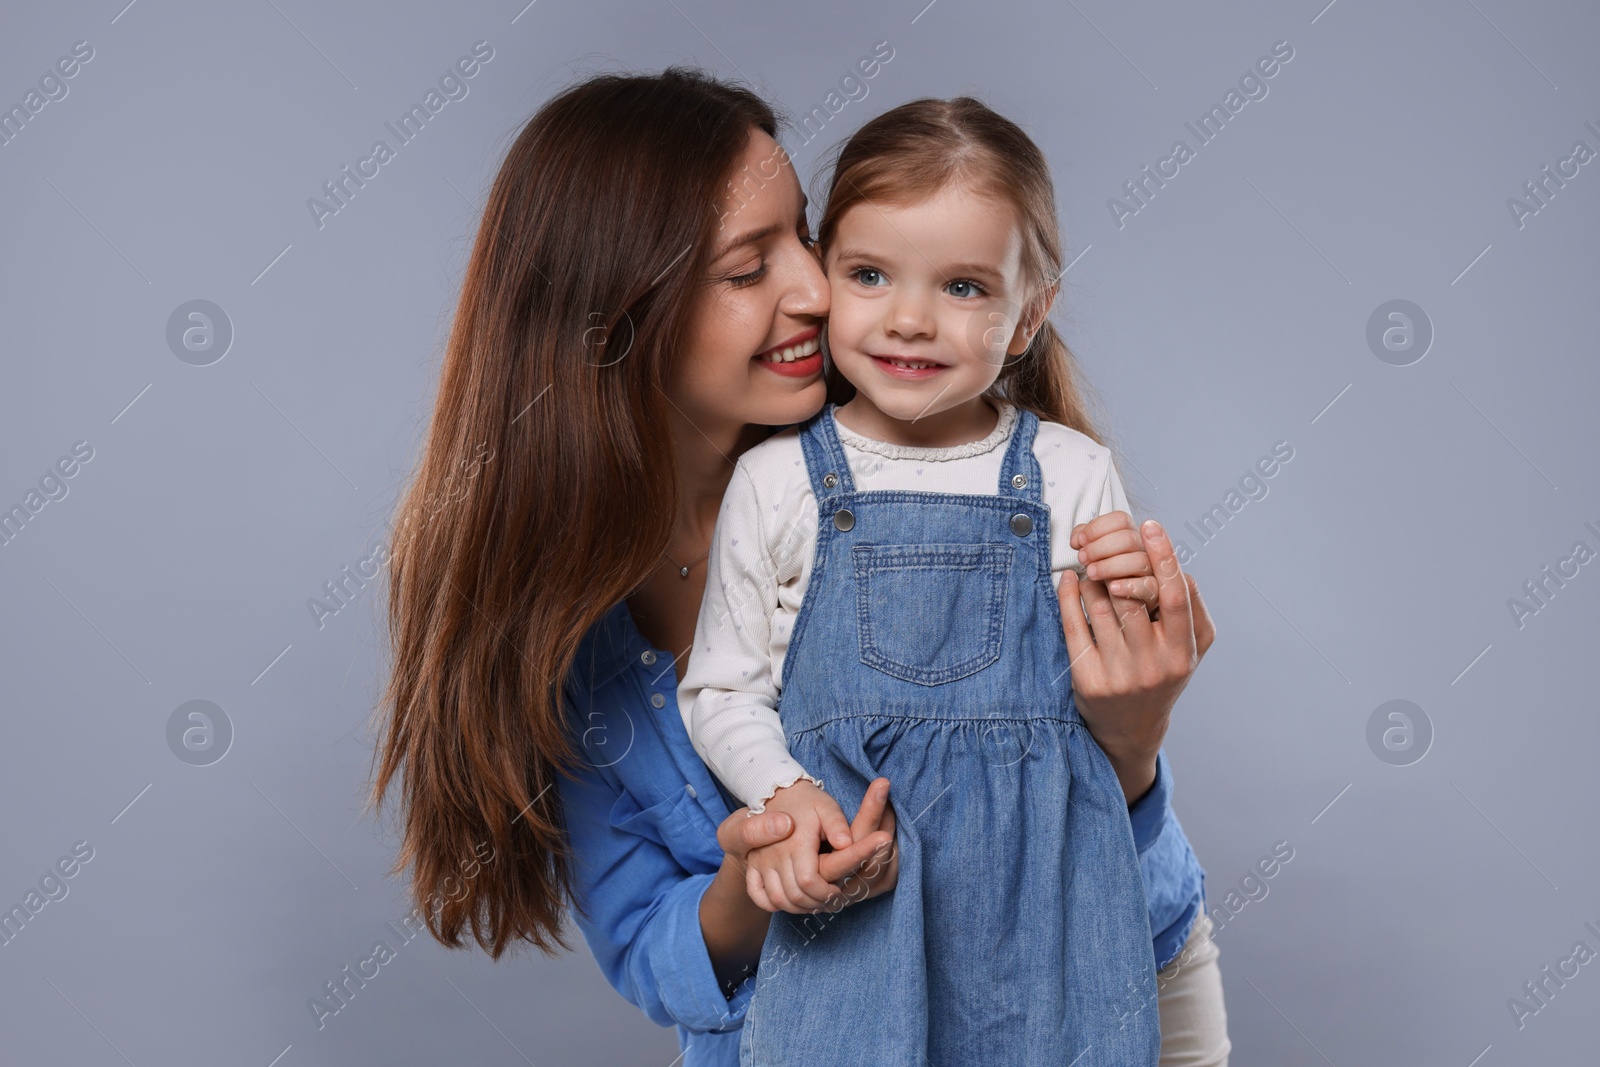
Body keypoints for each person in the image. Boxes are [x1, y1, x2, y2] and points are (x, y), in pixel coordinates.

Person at [369, 69, 1225, 1067]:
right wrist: (758, 868)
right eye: (747, 268)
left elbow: (1074, 794)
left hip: (1080, 981)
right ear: (614, 323)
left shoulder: (943, 438)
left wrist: (1134, 736)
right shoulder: (566, 638)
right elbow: (651, 947)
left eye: (804, 235)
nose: (816, 289)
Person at [677, 95, 1215, 1066]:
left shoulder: (1069, 470)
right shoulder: (780, 480)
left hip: (1043, 901)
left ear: (1027, 316)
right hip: (860, 911)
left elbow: (1108, 681)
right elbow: (721, 686)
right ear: (824, 276)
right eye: (871, 274)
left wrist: (1141, 611)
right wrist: (787, 790)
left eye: (964, 287)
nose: (911, 319)